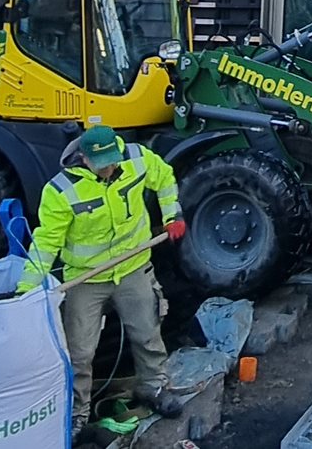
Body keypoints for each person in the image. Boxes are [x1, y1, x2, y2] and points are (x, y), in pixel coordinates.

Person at [16, 126, 188, 434]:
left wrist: (172, 215)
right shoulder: (61, 191)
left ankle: (154, 388)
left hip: (133, 267)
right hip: (85, 279)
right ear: (84, 158)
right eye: (103, 162)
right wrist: (27, 290)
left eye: (113, 159)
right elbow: (46, 243)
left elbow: (163, 178)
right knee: (80, 352)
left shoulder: (135, 158)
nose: (110, 167)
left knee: (147, 333)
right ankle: (77, 413)